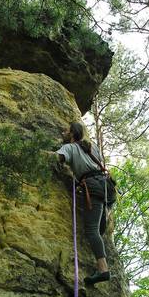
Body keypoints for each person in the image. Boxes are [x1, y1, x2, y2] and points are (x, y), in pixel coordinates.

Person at [56, 122, 115, 285]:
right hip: (107, 188)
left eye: (66, 130)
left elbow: (57, 158)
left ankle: (103, 270)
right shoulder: (92, 147)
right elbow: (99, 164)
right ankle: (100, 255)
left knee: (91, 230)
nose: (63, 132)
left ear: (72, 133)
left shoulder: (69, 147)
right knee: (99, 228)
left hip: (93, 188)